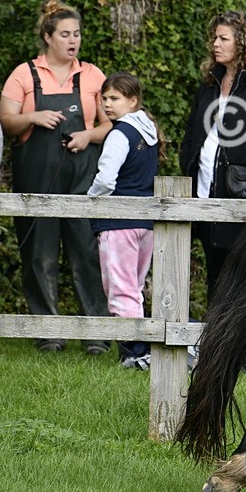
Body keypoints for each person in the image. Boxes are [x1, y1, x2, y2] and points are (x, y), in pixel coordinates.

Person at [0, 0, 112, 354]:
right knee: (40, 257)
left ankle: (96, 336)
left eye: (76, 34)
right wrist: (33, 118)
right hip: (36, 180)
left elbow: (111, 122)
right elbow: (3, 120)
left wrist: (87, 135)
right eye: (65, 34)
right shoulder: (24, 74)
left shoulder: (92, 75)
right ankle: (49, 334)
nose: (73, 40)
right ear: (48, 37)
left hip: (83, 179)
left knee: (87, 256)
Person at [180, 11, 246, 302]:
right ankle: (216, 343)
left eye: (223, 38)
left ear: (243, 42)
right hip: (204, 190)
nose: (215, 44)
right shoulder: (212, 81)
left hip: (244, 191)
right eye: (214, 37)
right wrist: (188, 164)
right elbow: (193, 130)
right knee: (215, 268)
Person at [88, 72, 162, 369]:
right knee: (134, 287)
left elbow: (106, 179)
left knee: (122, 290)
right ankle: (138, 349)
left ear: (133, 101)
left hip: (119, 220)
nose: (107, 104)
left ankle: (137, 353)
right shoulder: (149, 131)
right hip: (145, 221)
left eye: (114, 98)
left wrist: (90, 200)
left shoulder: (119, 134)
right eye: (104, 98)